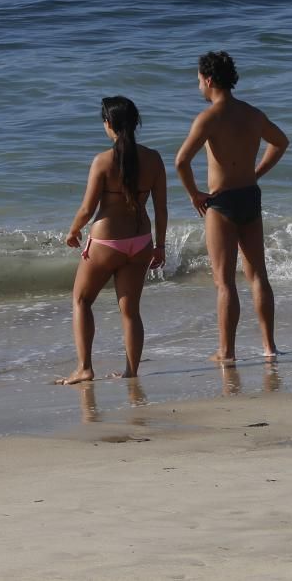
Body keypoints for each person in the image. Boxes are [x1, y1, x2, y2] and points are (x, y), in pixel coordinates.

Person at [175, 51, 289, 362]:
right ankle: (269, 347)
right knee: (258, 276)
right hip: (250, 196)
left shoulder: (208, 118)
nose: (198, 86)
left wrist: (194, 195)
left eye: (199, 80)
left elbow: (181, 161)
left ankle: (226, 351)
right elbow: (281, 142)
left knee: (224, 281)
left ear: (208, 80)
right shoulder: (252, 114)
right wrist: (256, 172)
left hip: (222, 202)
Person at [59, 96, 167, 385]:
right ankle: (132, 371)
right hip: (141, 241)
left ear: (108, 124)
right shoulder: (154, 159)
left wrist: (72, 231)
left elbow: (87, 209)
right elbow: (161, 209)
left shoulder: (103, 161)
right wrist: (160, 246)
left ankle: (85, 368)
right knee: (130, 311)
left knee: (81, 300)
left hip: (106, 243)